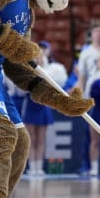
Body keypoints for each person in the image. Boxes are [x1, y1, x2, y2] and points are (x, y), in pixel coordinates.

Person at [20, 42, 67, 175]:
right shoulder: (26, 69)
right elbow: (20, 90)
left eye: (40, 54)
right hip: (30, 105)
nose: (38, 57)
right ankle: (31, 166)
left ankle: (39, 167)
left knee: (41, 138)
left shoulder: (51, 70)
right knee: (31, 138)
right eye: (36, 55)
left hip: (43, 106)